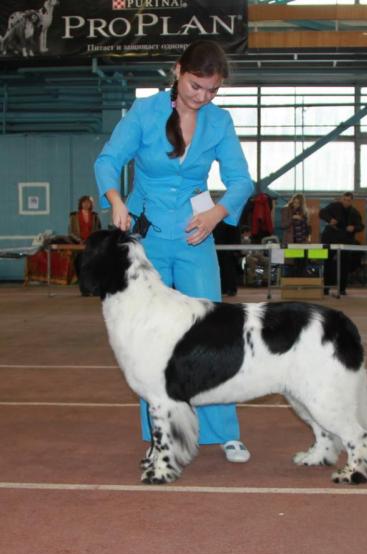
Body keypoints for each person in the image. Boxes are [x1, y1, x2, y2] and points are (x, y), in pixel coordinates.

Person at [94, 40, 253, 463]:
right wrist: (115, 200)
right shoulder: (144, 113)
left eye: (212, 91)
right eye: (196, 86)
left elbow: (241, 181)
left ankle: (224, 432)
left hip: (195, 234)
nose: (202, 97)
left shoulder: (219, 122)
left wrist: (216, 213)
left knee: (213, 334)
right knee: (151, 340)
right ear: (178, 71)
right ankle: (160, 433)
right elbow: (108, 160)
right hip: (146, 238)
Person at [319, 191, 364, 295]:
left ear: (352, 201)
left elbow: (361, 226)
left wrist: (354, 228)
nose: (346, 202)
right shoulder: (333, 206)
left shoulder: (355, 212)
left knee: (345, 265)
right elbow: (321, 213)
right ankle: (326, 288)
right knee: (328, 264)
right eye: (344, 199)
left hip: (346, 241)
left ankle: (342, 289)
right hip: (330, 239)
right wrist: (330, 219)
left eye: (348, 200)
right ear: (341, 199)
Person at [68, 195, 101, 296]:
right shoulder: (74, 216)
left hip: (91, 245)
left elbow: (98, 230)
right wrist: (79, 240)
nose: (86, 204)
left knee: (93, 267)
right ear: (80, 204)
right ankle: (84, 290)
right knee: (81, 267)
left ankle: (95, 289)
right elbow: (70, 232)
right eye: (84, 202)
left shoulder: (95, 216)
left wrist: (91, 240)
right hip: (78, 246)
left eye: (88, 202)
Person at [281, 193, 310, 276]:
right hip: (292, 240)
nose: (296, 204)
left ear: (302, 204)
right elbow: (283, 225)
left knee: (302, 263)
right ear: (292, 201)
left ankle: (302, 282)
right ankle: (292, 282)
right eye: (294, 202)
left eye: (298, 203)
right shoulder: (286, 210)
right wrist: (292, 218)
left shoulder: (304, 212)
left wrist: (306, 239)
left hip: (302, 241)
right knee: (292, 265)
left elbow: (307, 228)